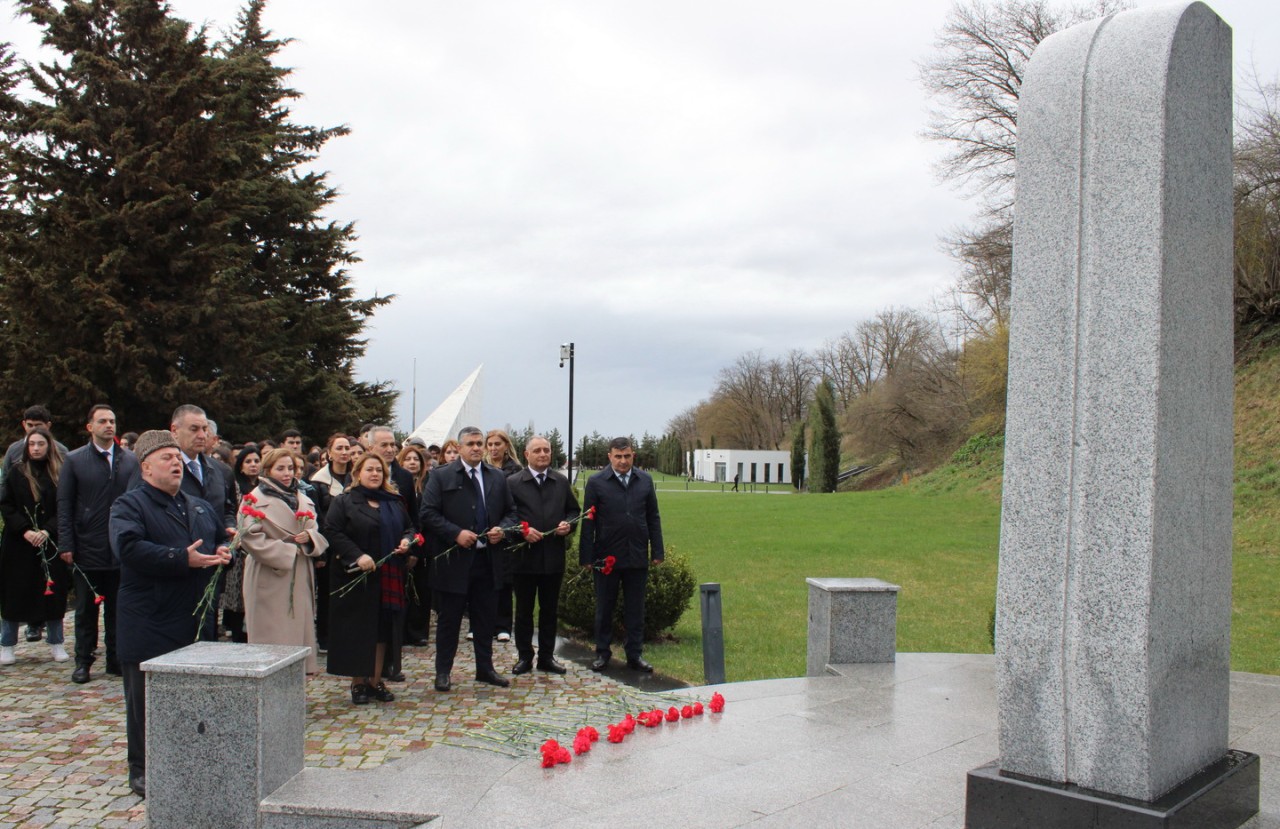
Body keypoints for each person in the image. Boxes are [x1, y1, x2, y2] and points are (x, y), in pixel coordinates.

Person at [110, 430, 230, 798]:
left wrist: (226, 552)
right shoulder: (129, 506)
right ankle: (143, 768)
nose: (176, 463)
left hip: (194, 619)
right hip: (150, 618)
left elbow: (216, 540)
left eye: (178, 458)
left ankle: (190, 760)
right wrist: (181, 558)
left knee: (195, 697)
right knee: (144, 702)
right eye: (166, 458)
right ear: (145, 467)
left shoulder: (197, 505)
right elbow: (127, 549)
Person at [420, 426, 517, 692]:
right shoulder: (440, 476)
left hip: (488, 560)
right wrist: (455, 533)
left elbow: (512, 513)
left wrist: (503, 529)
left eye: (479, 443)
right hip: (454, 562)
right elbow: (428, 514)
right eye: (471, 444)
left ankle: (485, 669)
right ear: (460, 448)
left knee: (485, 618)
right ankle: (443, 672)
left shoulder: (497, 477)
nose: (476, 448)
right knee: (449, 620)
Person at [56, 405, 139, 683]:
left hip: (119, 547)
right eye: (102, 421)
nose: (109, 425)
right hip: (86, 546)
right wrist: (66, 542)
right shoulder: (75, 460)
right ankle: (83, 660)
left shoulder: (130, 460)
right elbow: (65, 504)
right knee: (86, 610)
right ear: (90, 426)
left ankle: (115, 658)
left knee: (118, 607)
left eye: (113, 421)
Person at [323, 454, 414, 704]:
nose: (375, 474)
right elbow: (332, 530)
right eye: (369, 470)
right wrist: (357, 555)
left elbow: (410, 527)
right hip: (355, 575)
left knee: (383, 630)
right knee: (359, 630)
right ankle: (358, 682)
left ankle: (376, 680)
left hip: (388, 574)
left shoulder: (394, 502)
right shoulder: (345, 501)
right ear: (358, 473)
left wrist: (408, 541)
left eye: (379, 471)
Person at [579, 436, 664, 673]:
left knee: (635, 609)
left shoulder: (645, 480)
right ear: (610, 456)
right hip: (606, 556)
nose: (623, 461)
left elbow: (653, 517)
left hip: (636, 554)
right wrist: (586, 557)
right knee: (604, 608)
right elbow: (589, 521)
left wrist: (657, 550)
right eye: (618, 456)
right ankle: (602, 653)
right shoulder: (596, 482)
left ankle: (634, 655)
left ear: (633, 455)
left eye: (627, 456)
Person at [239, 448, 328, 673]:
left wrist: (309, 539)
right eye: (280, 468)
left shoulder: (303, 498)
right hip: (269, 571)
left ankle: (294, 680)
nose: (287, 473)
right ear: (267, 470)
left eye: (291, 468)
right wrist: (286, 552)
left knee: (297, 630)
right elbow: (249, 536)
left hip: (299, 571)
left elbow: (316, 529)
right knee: (272, 634)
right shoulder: (253, 499)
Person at [507, 436, 579, 676]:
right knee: (525, 611)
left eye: (546, 450)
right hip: (524, 559)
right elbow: (506, 516)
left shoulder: (560, 481)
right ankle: (525, 656)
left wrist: (568, 525)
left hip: (553, 558)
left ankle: (547, 656)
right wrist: (522, 531)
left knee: (550, 610)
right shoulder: (513, 482)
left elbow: (573, 511)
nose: (542, 454)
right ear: (526, 454)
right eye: (537, 450)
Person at [0, 427, 69, 665]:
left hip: (49, 542)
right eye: (32, 444)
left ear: (49, 446)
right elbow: (7, 505)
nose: (36, 448)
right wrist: (25, 530)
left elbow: (64, 508)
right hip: (19, 542)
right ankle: (7, 644)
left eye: (41, 444)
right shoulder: (17, 472)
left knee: (53, 593)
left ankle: (56, 642)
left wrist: (47, 530)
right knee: (15, 593)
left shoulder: (59, 474)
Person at [169, 405, 237, 638]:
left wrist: (229, 530)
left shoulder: (219, 471)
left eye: (205, 429)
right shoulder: (161, 469)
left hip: (212, 561)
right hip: (176, 564)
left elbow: (227, 507)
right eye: (194, 429)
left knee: (207, 627)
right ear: (174, 431)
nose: (202, 435)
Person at [368, 425, 417, 682]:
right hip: (370, 558)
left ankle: (391, 664)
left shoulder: (405, 477)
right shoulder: (364, 473)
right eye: (384, 445)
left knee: (395, 613)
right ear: (370, 449)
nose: (390, 449)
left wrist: (414, 546)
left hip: (398, 553)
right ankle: (369, 668)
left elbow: (413, 516)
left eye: (393, 445)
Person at [308, 433, 353, 651]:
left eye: (347, 448)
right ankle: (325, 636)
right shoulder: (318, 482)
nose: (344, 452)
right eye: (340, 448)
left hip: (352, 544)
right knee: (327, 593)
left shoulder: (356, 477)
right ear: (330, 453)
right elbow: (316, 515)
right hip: (328, 544)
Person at [221, 444, 262, 643]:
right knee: (237, 596)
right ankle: (236, 634)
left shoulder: (264, 486)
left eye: (256, 461)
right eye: (248, 461)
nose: (253, 465)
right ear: (240, 465)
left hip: (258, 544)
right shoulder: (235, 485)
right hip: (238, 543)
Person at [485, 429, 521, 643]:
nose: (493, 448)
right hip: (486, 529)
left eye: (497, 444)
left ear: (506, 446)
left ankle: (503, 624)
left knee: (505, 579)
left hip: (506, 530)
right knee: (485, 578)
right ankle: (483, 622)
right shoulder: (483, 468)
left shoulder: (515, 470)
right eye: (490, 444)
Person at [396, 443, 432, 648]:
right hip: (403, 541)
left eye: (415, 459)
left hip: (422, 544)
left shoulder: (428, 484)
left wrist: (417, 549)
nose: (412, 462)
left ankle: (418, 631)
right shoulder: (397, 484)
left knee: (421, 590)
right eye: (408, 459)